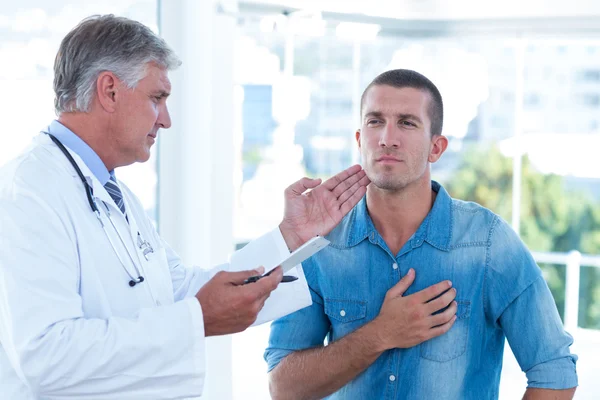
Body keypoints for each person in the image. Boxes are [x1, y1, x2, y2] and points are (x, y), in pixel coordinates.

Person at [0, 15, 370, 399]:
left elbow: (182, 290)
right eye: (156, 98)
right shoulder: (28, 192)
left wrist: (290, 236)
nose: (166, 120)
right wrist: (195, 320)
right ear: (109, 91)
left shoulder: (115, 194)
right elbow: (45, 355)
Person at [265, 69, 578, 400]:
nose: (388, 137)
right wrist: (378, 334)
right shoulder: (321, 243)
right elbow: (283, 387)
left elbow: (554, 371)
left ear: (436, 148)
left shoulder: (488, 243)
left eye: (407, 123)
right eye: (375, 121)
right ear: (359, 140)